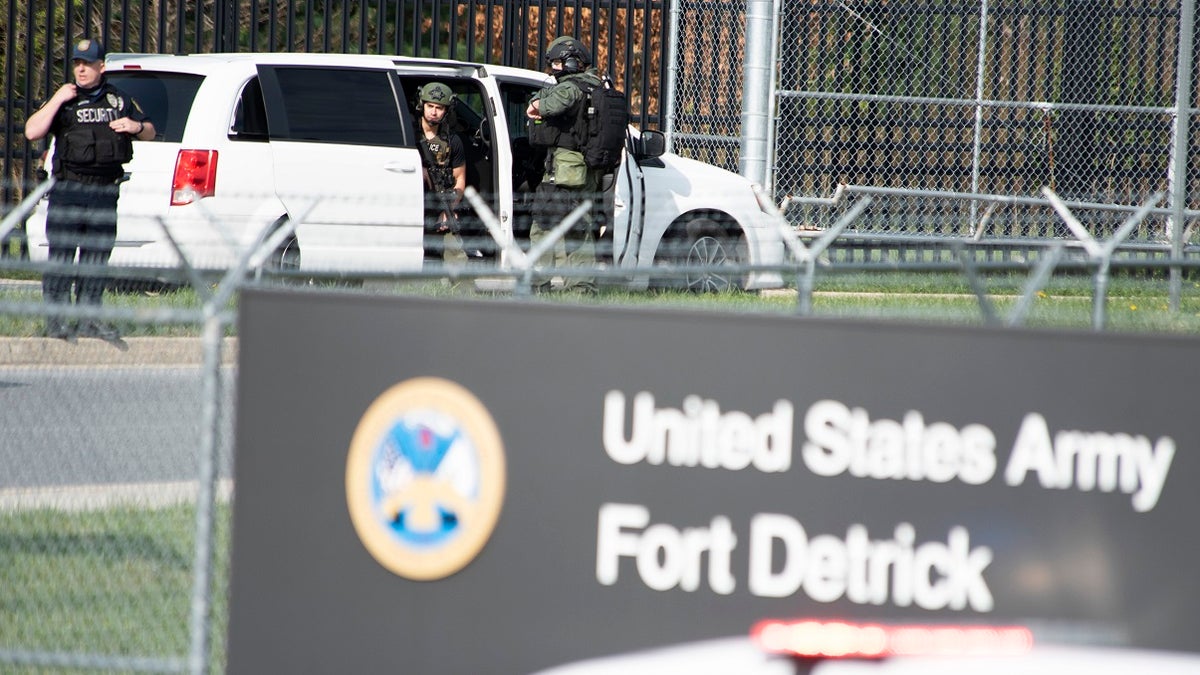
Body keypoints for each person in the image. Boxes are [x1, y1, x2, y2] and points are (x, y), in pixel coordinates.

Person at [24, 39, 155, 341]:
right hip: (69, 190)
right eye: (76, 63)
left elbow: (149, 129)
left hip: (104, 192)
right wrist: (57, 99)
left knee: (96, 259)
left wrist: (134, 127)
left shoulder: (118, 100)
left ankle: (89, 320)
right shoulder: (65, 99)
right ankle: (57, 322)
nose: (80, 69)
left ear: (101, 67)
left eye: (87, 63)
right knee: (62, 257)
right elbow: (32, 131)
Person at [525, 36, 605, 293]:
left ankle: (538, 285)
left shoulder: (571, 88)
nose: (554, 69)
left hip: (563, 172)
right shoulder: (597, 86)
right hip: (587, 171)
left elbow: (549, 105)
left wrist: (536, 103)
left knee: (542, 227)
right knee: (580, 230)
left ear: (572, 61)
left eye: (558, 63)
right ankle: (581, 288)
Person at [414, 81, 468, 267]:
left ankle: (461, 291)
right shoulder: (408, 134)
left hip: (440, 201)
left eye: (439, 108)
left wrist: (450, 209)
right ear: (422, 105)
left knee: (455, 251)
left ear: (447, 110)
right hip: (411, 202)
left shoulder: (453, 141)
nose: (434, 112)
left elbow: (459, 179)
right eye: (430, 106)